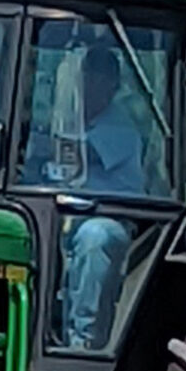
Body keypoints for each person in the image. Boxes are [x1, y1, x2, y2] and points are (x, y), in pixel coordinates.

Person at [52, 46, 152, 349]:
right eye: (87, 77)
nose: (91, 85)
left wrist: (36, 138)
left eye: (99, 79)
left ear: (112, 86)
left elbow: (77, 156)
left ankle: (82, 341)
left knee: (94, 238)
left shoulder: (119, 126)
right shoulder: (75, 121)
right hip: (62, 214)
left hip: (112, 216)